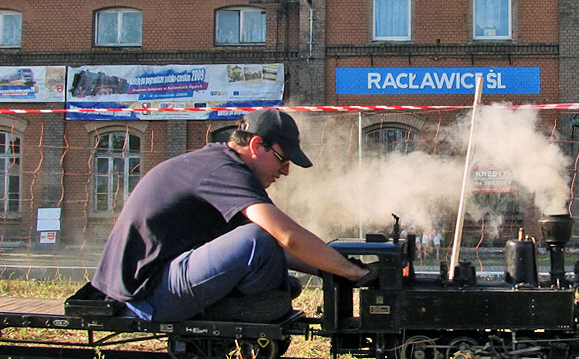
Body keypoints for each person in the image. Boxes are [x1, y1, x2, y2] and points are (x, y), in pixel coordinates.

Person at [90, 109, 372, 322]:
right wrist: (353, 271)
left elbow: (280, 247)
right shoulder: (223, 171)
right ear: (256, 145)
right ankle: (229, 308)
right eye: (283, 160)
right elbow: (286, 237)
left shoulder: (221, 166)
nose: (286, 171)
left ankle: (235, 304)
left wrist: (331, 269)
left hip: (153, 281)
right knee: (258, 238)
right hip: (147, 293)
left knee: (272, 265)